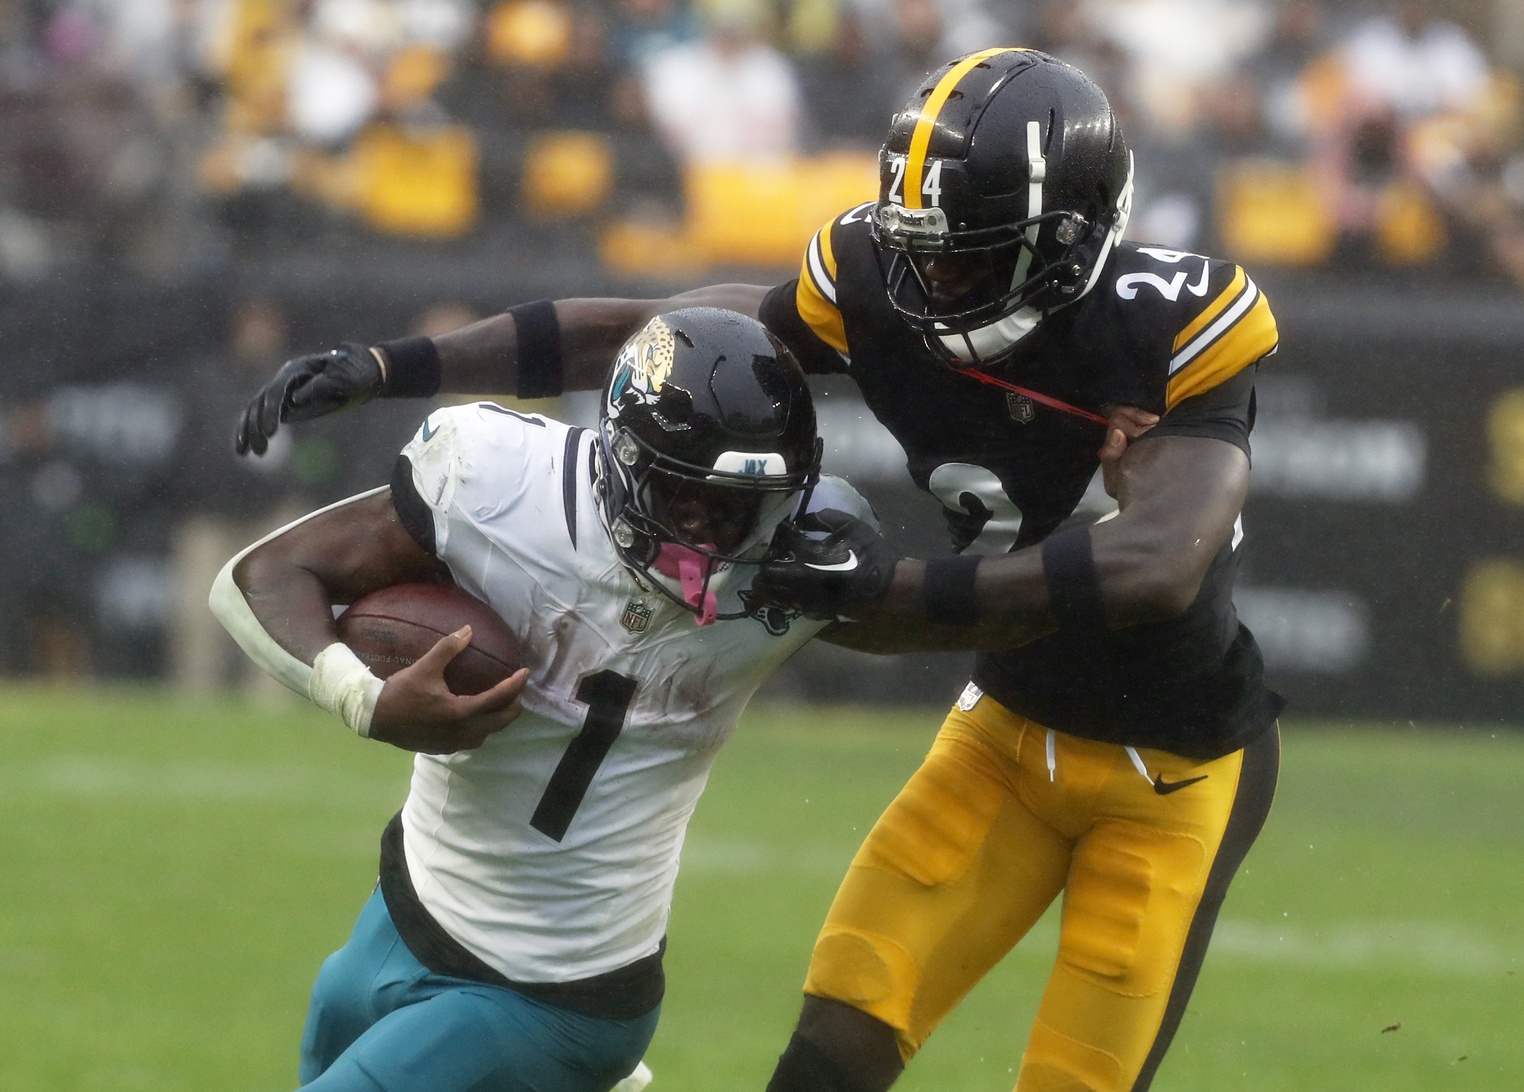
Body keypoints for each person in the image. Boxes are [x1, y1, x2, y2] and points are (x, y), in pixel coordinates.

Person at [233, 50, 1284, 1092]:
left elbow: (1160, 562)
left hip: (1176, 763)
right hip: (1005, 732)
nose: (924, 279)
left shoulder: (1170, 322)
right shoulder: (876, 276)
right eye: (915, 248)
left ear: (1063, 241)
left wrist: (887, 595)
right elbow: (657, 341)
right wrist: (396, 368)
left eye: (961, 257)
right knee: (836, 1043)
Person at [211, 307, 1030, 1092]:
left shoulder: (803, 563)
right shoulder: (495, 484)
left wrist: (884, 579)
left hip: (556, 995)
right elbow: (260, 577)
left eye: (742, 505)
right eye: (691, 499)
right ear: (626, 462)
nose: (714, 536)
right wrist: (366, 700)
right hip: (404, 906)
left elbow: (981, 613)